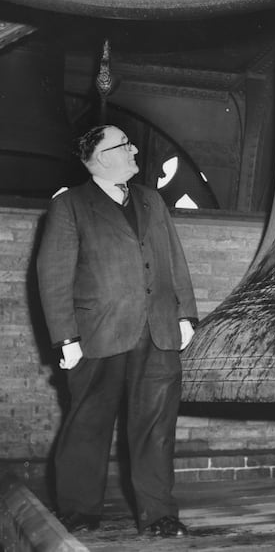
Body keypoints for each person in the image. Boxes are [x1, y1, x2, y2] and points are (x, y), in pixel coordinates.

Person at [36, 125, 198, 537]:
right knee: (88, 422)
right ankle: (78, 510)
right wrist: (65, 338)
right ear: (102, 157)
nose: (134, 149)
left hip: (158, 333)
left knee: (156, 426)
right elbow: (53, 275)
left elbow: (174, 260)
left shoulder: (152, 200)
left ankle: (159, 514)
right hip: (97, 334)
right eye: (124, 145)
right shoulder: (70, 205)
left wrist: (186, 316)